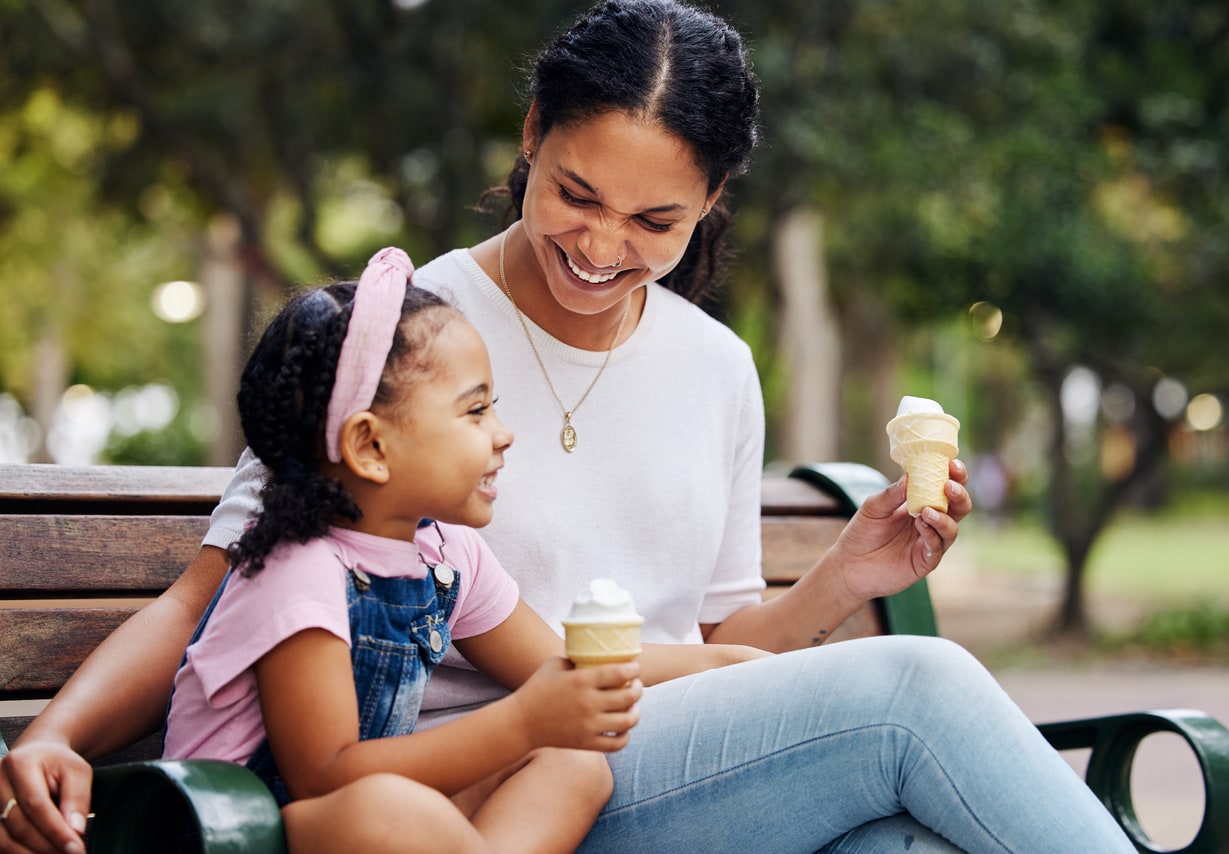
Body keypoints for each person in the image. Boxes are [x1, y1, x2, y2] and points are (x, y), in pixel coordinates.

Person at [1, 1, 1134, 852]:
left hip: (619, 759)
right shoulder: (408, 343)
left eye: (654, 220)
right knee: (915, 689)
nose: (600, 247)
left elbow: (719, 643)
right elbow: (204, 598)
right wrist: (56, 732)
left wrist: (843, 577)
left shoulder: (715, 367)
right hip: (459, 790)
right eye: (576, 194)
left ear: (712, 202)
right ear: (531, 133)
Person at [161, 247, 758, 854]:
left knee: (568, 760)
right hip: (237, 833)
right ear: (369, 446)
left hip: (369, 816)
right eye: (475, 411)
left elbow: (555, 658)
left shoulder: (446, 554)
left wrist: (727, 663)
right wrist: (521, 720)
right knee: (389, 808)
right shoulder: (300, 574)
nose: (503, 433)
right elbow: (324, 777)